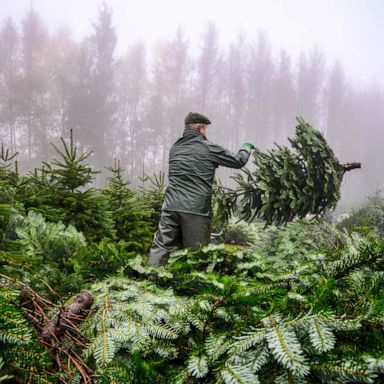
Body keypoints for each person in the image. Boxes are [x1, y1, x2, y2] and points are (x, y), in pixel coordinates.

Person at [147, 112, 254, 266]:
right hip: (195, 209)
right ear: (201, 129)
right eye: (205, 129)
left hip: (170, 206)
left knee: (161, 247)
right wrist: (246, 147)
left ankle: (150, 279)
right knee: (197, 253)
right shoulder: (208, 148)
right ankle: (195, 286)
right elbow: (238, 161)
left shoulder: (175, 148)